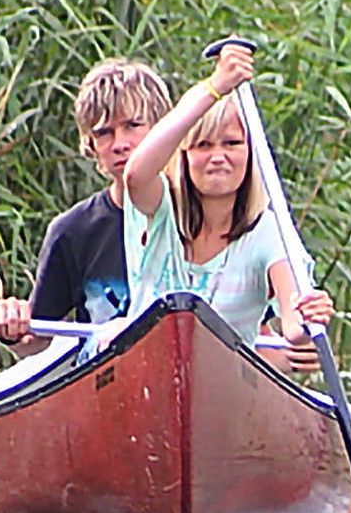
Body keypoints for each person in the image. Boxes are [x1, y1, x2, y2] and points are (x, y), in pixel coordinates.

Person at [119, 42, 333, 355]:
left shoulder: (269, 233)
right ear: (185, 156)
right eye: (203, 145)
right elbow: (136, 174)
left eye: (231, 143)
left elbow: (293, 325)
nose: (218, 157)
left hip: (224, 381)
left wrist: (308, 316)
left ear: (250, 153)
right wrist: (215, 87)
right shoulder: (160, 207)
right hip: (143, 366)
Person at [0, 57, 172, 353]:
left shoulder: (202, 216)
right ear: (91, 144)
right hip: (107, 384)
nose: (119, 143)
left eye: (133, 125)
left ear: (164, 129)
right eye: (104, 132)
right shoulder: (73, 231)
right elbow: (35, 339)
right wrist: (11, 322)